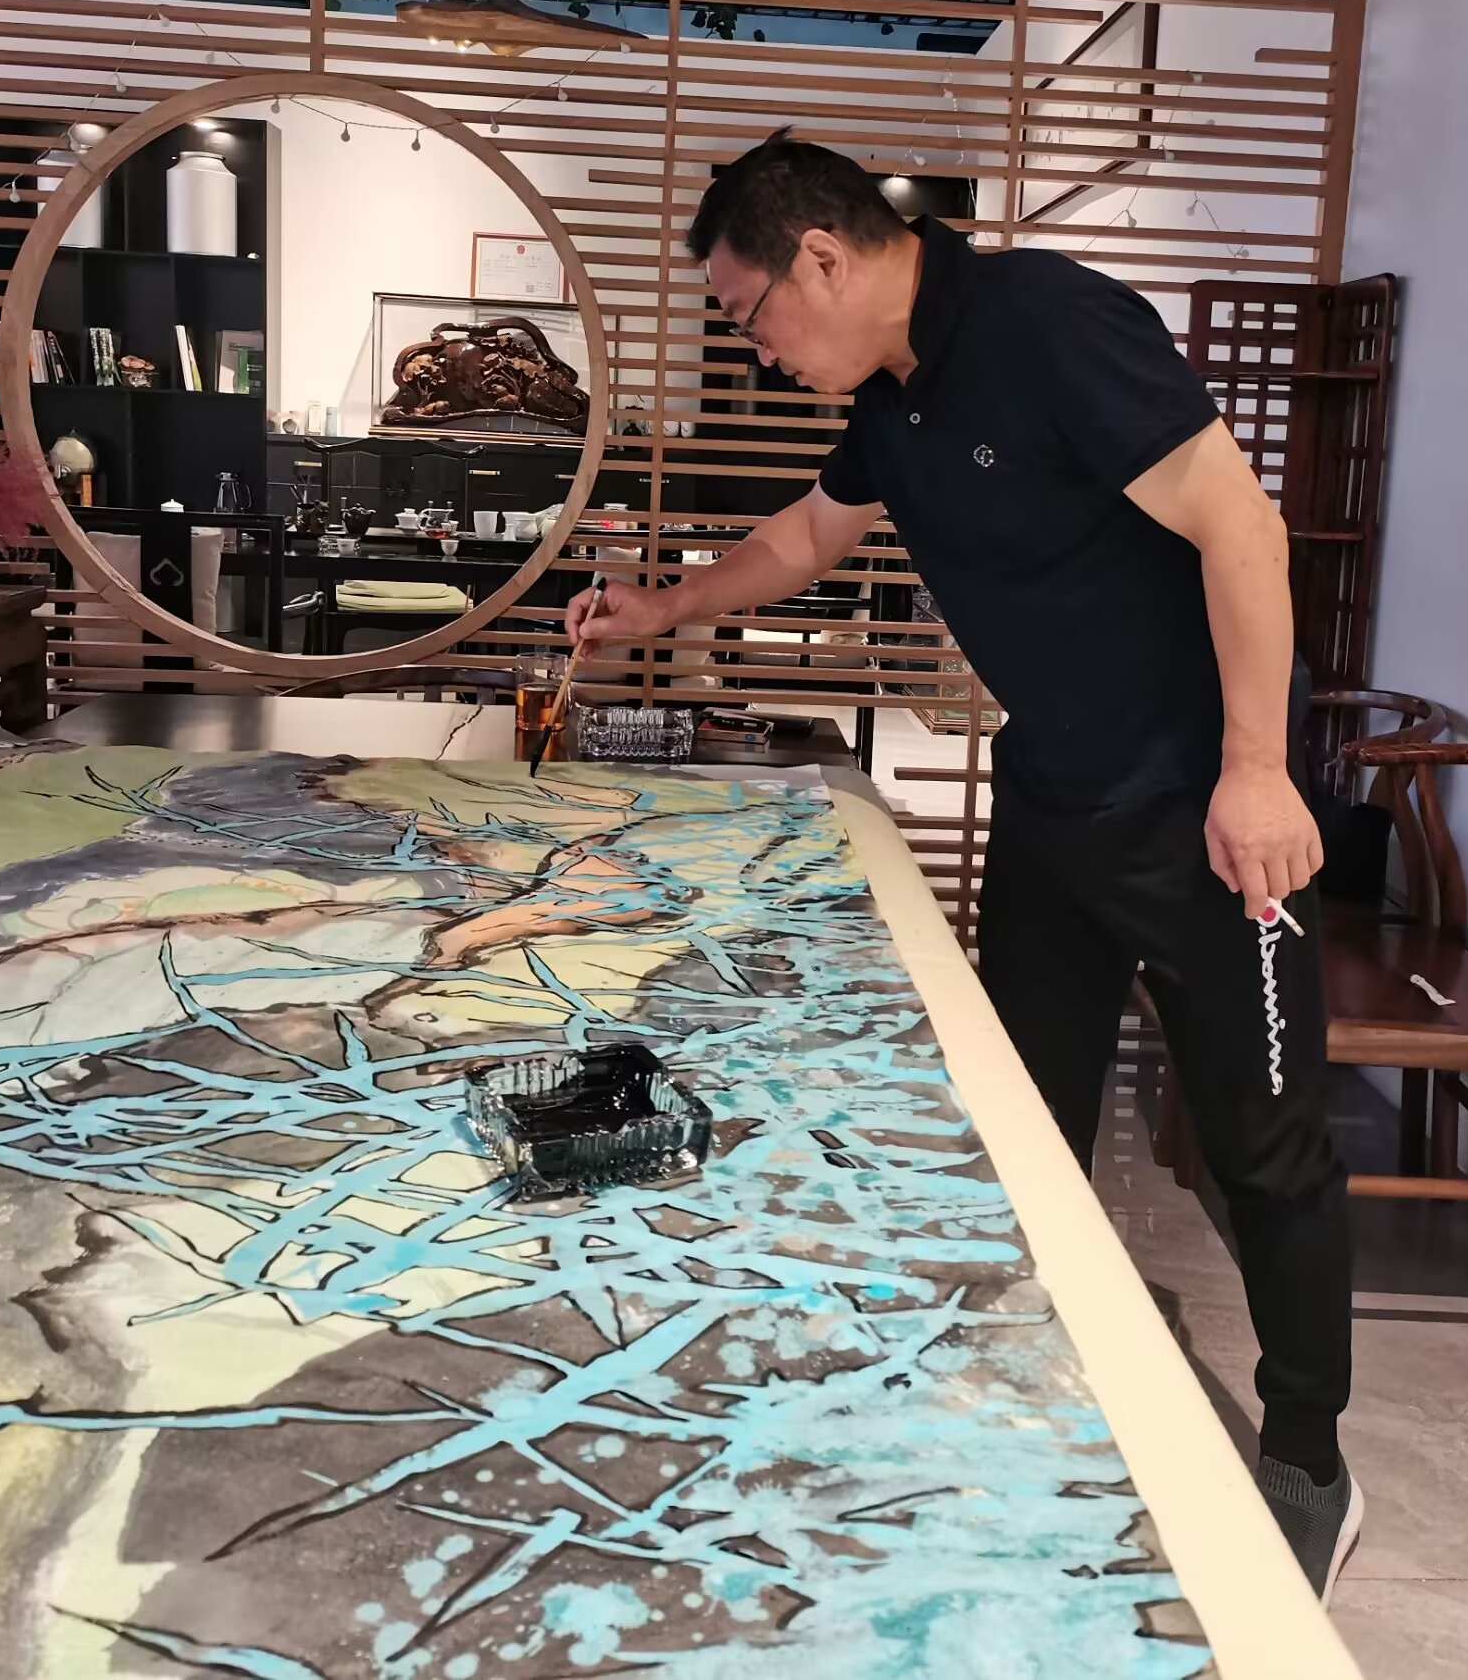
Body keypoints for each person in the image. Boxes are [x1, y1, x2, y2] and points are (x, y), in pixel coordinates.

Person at [565, 135, 1360, 1603]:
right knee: (1026, 1122)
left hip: (1206, 808)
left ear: (820, 257)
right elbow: (808, 535)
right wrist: (660, 608)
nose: (756, 352)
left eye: (750, 316)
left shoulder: (1047, 323)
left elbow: (1240, 523)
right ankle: (1040, 1388)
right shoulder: (891, 395)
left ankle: (1310, 1454)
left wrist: (1258, 767)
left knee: (1265, 1145)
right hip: (1057, 802)